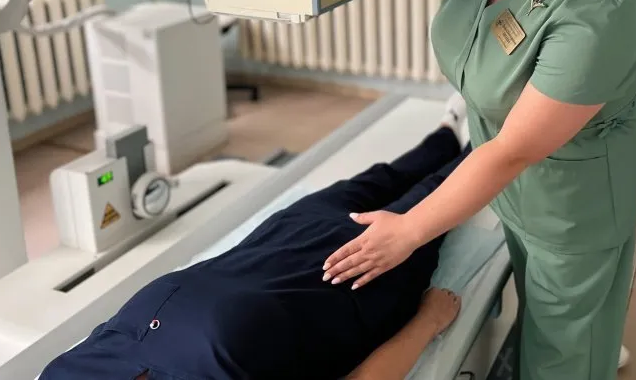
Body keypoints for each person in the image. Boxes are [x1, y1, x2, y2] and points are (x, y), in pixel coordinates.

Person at [321, 0, 636, 380]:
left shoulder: (604, 4)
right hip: (514, 187)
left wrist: (410, 230)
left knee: (564, 355)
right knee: (543, 318)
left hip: (571, 206)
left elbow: (514, 150)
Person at [39, 95, 472, 380]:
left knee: (384, 180)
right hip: (345, 273)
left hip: (280, 248)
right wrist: (428, 320)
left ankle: (450, 131)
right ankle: (481, 137)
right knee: (424, 190)